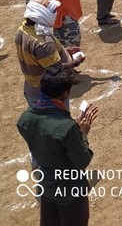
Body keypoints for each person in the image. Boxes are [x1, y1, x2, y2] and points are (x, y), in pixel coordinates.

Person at [16, 64, 99, 226]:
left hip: (46, 185)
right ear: (65, 93)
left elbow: (47, 136)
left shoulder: (25, 119)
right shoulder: (67, 128)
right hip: (70, 191)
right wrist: (81, 133)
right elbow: (82, 161)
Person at [16, 0, 84, 109]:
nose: (56, 13)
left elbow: (39, 56)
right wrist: (76, 62)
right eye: (53, 11)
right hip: (49, 94)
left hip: (31, 86)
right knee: (57, 122)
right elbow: (57, 71)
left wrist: (64, 51)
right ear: (43, 13)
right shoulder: (43, 43)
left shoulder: (24, 29)